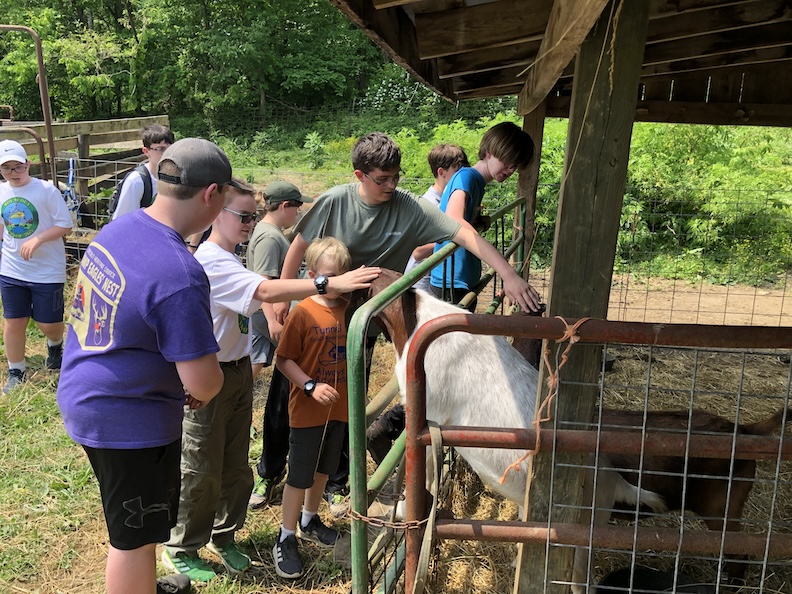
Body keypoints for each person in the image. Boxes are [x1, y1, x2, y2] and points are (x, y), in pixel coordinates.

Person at [274, 131, 541, 494]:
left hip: (364, 323)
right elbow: (299, 246)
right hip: (316, 315)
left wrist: (507, 273)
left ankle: (337, 483)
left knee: (347, 401)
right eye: (382, 179)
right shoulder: (335, 201)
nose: (391, 185)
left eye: (396, 177)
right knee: (292, 397)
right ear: (360, 175)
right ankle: (274, 472)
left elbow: (462, 233)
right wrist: (281, 299)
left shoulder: (409, 206)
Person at [161, 183, 378, 583]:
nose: (251, 223)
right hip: (210, 371)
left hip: (237, 369)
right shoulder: (211, 261)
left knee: (234, 462)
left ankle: (223, 535)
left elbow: (258, 298)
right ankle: (182, 546)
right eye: (243, 216)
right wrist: (324, 285)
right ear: (216, 213)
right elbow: (264, 291)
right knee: (201, 464)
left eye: (253, 215)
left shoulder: (231, 257)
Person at [56, 138, 236, 594]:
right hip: (129, 419)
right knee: (134, 539)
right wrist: (206, 385)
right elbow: (203, 381)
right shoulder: (179, 272)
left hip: (87, 392)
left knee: (131, 528)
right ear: (212, 194)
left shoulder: (121, 229)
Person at [272, 237, 357, 580]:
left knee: (324, 467)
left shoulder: (351, 309)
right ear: (313, 275)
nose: (338, 283)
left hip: (339, 408)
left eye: (343, 275)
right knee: (300, 473)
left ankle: (309, 519)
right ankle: (286, 535)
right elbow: (283, 360)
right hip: (308, 410)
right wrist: (309, 385)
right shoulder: (303, 312)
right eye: (331, 276)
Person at [247, 181, 312, 510]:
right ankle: (271, 468)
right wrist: (275, 323)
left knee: (257, 374)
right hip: (276, 322)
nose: (298, 213)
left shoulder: (266, 231)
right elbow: (265, 285)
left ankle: (271, 468)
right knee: (279, 396)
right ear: (285, 206)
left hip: (272, 320)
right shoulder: (271, 238)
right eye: (296, 207)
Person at [429, 122, 534, 309]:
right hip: (451, 282)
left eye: (515, 165)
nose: (511, 170)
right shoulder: (466, 177)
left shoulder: (477, 181)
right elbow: (453, 220)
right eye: (507, 161)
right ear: (489, 153)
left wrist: (476, 220)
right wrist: (505, 270)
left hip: (460, 279)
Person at [0, 139, 72, 393]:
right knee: (14, 321)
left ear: (28, 164)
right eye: (6, 168)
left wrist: (38, 239)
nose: (13, 173)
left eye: (18, 167)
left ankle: (55, 344)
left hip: (47, 270)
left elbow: (65, 224)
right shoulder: (2, 192)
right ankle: (16, 370)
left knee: (48, 324)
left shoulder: (46, 190)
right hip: (12, 269)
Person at [404, 143, 469, 291]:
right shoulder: (430, 204)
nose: (461, 177)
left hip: (434, 275)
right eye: (457, 171)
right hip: (421, 281)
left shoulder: (447, 200)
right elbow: (418, 252)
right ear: (441, 172)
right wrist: (456, 238)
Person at [110, 123, 174, 220]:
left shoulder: (176, 177)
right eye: (160, 149)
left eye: (170, 148)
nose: (167, 153)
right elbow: (123, 222)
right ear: (146, 151)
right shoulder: (136, 181)